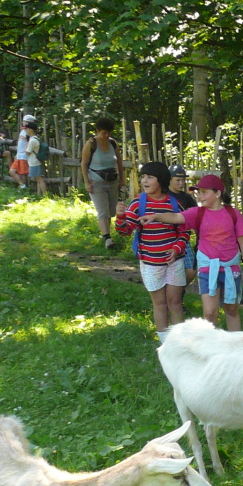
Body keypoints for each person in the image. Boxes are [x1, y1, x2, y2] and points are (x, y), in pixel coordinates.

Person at [144, 175, 243, 331]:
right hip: (207, 268)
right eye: (198, 193)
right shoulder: (197, 213)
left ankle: (235, 343)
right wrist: (156, 216)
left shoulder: (233, 213)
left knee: (232, 309)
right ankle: (209, 344)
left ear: (218, 193)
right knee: (209, 313)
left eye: (204, 192)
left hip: (231, 267)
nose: (200, 196)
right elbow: (176, 217)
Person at [114, 162, 189, 343]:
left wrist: (176, 249)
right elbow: (125, 231)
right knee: (160, 303)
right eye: (143, 177)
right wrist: (120, 216)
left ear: (161, 180)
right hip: (150, 263)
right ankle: (165, 344)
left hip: (174, 262)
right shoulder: (137, 203)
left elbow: (185, 231)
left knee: (175, 302)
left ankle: (179, 343)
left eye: (150, 177)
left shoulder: (174, 204)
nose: (144, 181)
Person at [81, 117, 125, 249]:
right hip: (96, 181)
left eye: (109, 132)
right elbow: (84, 163)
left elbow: (119, 162)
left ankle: (107, 234)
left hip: (112, 180)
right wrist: (87, 182)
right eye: (104, 133)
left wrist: (122, 179)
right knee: (102, 211)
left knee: (111, 210)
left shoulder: (113, 143)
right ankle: (107, 238)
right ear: (98, 130)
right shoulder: (91, 144)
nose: (107, 135)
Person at [168, 164, 198, 285]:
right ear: (170, 179)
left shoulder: (187, 198)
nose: (181, 183)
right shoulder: (163, 196)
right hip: (166, 238)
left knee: (191, 270)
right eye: (178, 180)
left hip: (183, 238)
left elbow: (196, 215)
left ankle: (179, 292)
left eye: (183, 180)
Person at [8, 114, 34, 189]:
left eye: (26, 121)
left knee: (23, 173)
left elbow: (30, 144)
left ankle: (24, 188)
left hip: (24, 156)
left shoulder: (29, 133)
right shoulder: (22, 131)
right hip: (19, 155)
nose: (24, 123)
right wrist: (17, 153)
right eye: (24, 121)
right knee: (12, 171)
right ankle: (22, 184)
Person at [23, 119, 47, 197]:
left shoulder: (32, 140)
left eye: (27, 129)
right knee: (38, 179)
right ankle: (41, 194)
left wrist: (25, 146)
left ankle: (45, 195)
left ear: (30, 129)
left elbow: (27, 152)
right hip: (35, 161)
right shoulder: (35, 138)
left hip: (34, 162)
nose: (26, 130)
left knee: (39, 179)